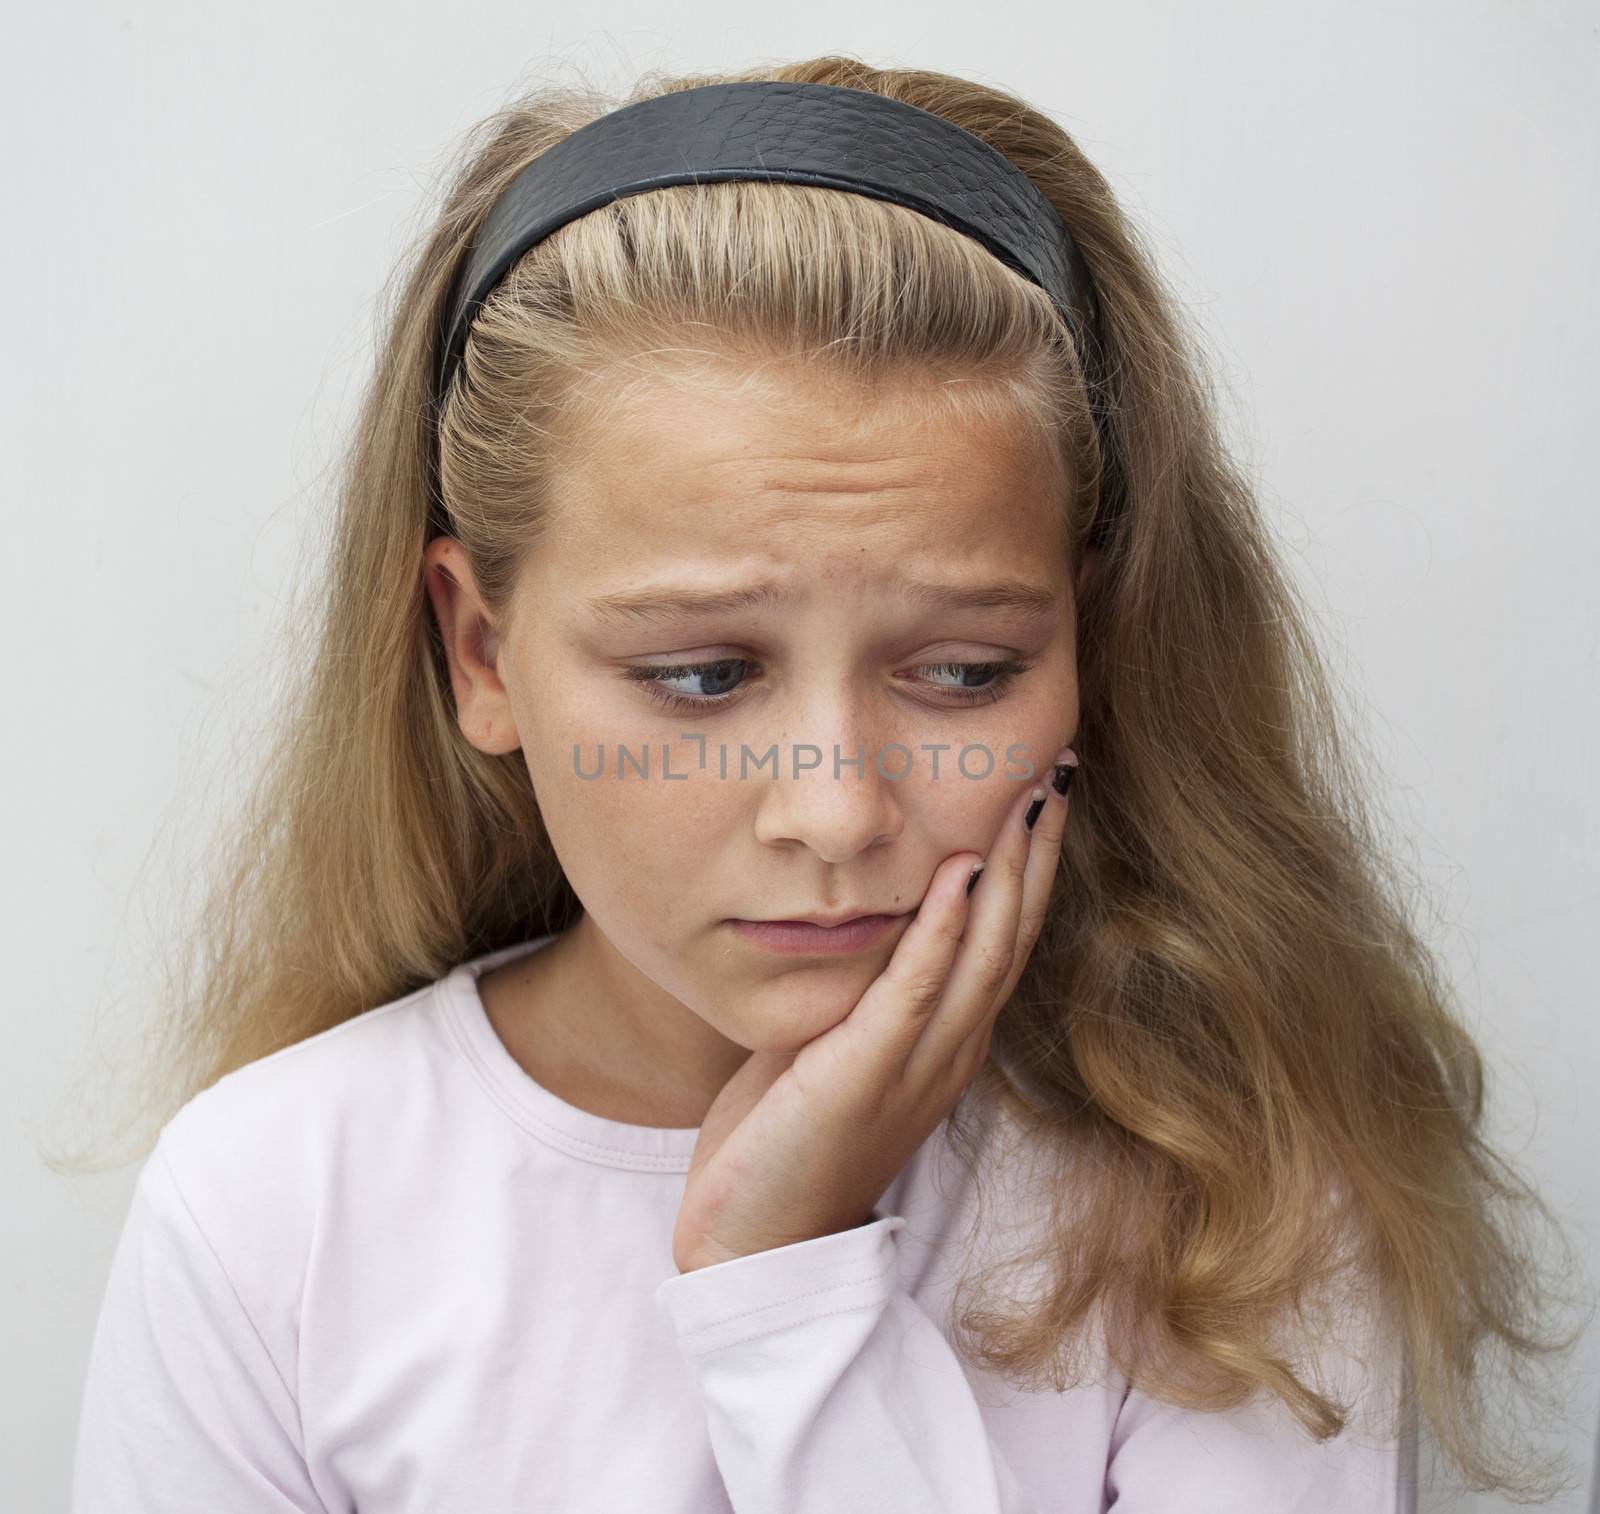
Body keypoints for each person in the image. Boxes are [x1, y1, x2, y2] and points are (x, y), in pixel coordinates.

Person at [65, 55, 1585, 1513]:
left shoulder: (1230, 1205)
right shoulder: (274, 1205)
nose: (838, 809)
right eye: (706, 675)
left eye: (965, 672)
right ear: (481, 653)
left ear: (1089, 650)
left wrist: (782, 1285)